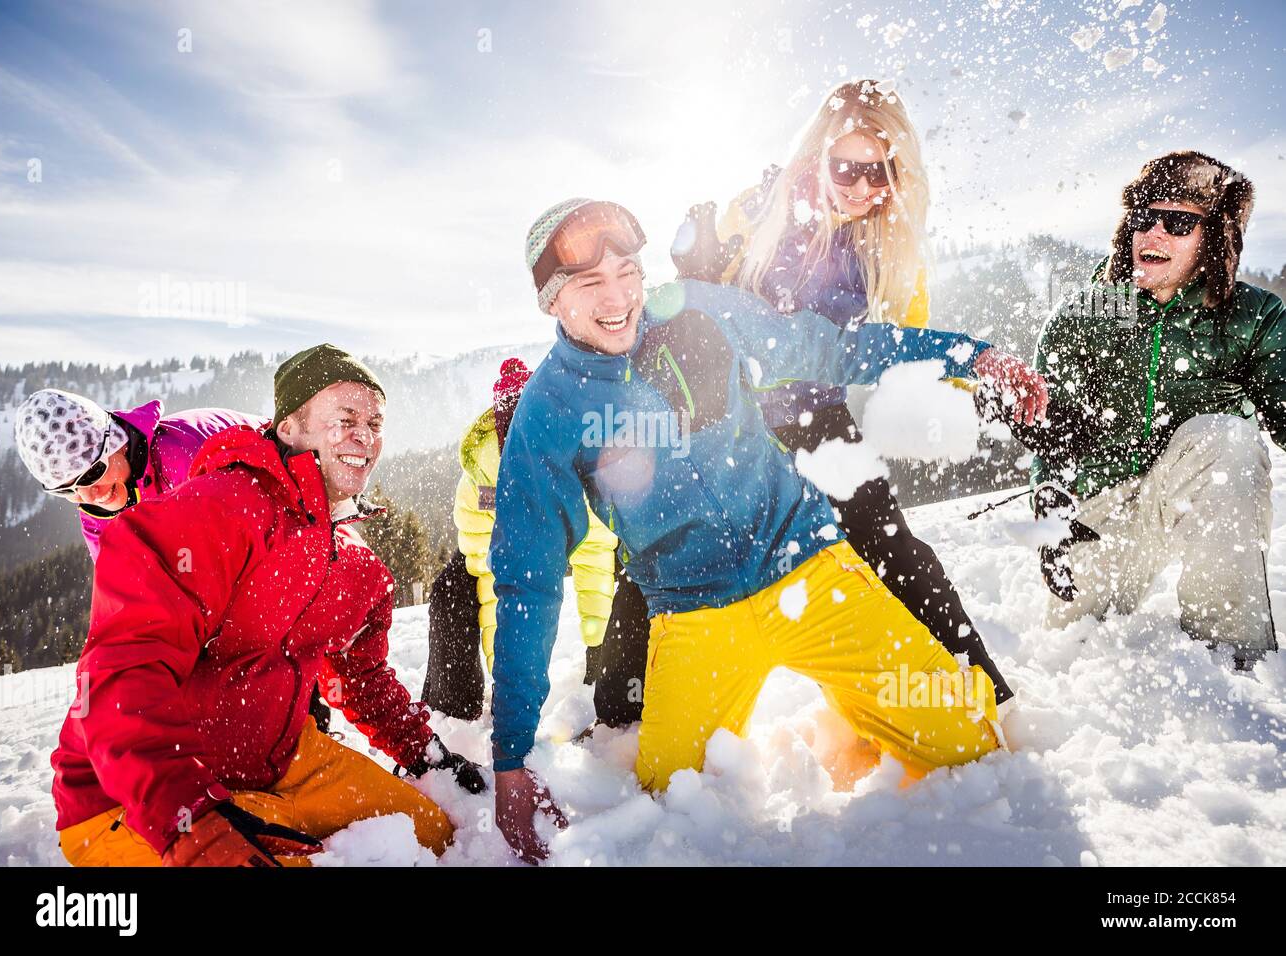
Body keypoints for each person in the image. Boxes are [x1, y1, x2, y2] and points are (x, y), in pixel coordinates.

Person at [488, 198, 1049, 862]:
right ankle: (849, 711)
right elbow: (528, 580)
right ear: (553, 301)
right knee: (671, 804)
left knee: (972, 749)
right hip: (694, 616)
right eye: (590, 283)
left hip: (808, 571)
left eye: (628, 271)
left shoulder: (693, 309)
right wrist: (512, 756)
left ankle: (861, 708)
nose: (619, 296)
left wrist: (971, 357)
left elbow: (832, 348)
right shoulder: (549, 410)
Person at [670, 79, 1033, 705]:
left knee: (887, 546)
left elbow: (887, 345)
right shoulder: (757, 212)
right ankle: (620, 714)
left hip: (819, 417)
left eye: (883, 171)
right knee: (674, 546)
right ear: (818, 155)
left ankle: (979, 693)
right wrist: (695, 273)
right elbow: (699, 308)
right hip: (737, 421)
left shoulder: (880, 247)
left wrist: (967, 370)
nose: (866, 187)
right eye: (850, 168)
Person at [51, 344, 483, 867]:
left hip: (279, 761)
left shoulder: (350, 562)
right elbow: (122, 674)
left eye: (374, 421)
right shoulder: (221, 508)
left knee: (432, 834)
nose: (364, 435)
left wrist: (425, 753)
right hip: (137, 798)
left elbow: (361, 676)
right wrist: (192, 822)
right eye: (344, 418)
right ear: (288, 429)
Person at [1032, 150, 1282, 669]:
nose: (1154, 234)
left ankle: (1231, 657)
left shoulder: (1252, 315)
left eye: (1178, 222)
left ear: (1214, 236)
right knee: (1069, 649)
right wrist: (1050, 500)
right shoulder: (1088, 312)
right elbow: (1047, 424)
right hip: (1104, 506)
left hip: (1192, 484)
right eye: (1145, 218)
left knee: (1230, 440)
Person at [423, 357, 649, 729]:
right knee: (451, 588)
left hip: (574, 532)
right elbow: (488, 571)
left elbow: (594, 551)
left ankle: (623, 695)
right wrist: (505, 671)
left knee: (630, 572)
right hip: (515, 544)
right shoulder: (482, 482)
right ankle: (451, 709)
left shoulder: (578, 462)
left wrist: (596, 641)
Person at [13, 389, 261, 561]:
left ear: (118, 442)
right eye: (66, 490)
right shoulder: (98, 520)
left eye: (91, 475)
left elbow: (253, 547)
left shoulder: (189, 460)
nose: (88, 496)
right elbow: (125, 600)